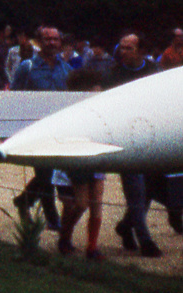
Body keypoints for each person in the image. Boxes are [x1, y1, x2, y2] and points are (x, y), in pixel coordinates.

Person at [108, 33, 162, 257]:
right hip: (127, 139)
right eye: (121, 47)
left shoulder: (152, 72)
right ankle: (145, 240)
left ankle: (126, 226)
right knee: (135, 190)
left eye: (129, 48)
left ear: (141, 51)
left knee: (149, 189)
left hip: (150, 136)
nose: (123, 52)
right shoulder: (114, 75)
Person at [11, 25, 69, 230]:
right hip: (35, 129)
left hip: (59, 129)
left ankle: (24, 201)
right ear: (39, 42)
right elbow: (15, 97)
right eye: (47, 39)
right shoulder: (27, 67)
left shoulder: (66, 68)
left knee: (51, 172)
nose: (52, 43)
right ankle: (53, 219)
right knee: (45, 175)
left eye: (55, 39)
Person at [55, 67, 108, 260]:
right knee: (81, 203)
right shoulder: (71, 110)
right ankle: (64, 236)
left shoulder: (100, 108)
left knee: (96, 201)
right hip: (77, 158)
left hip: (96, 157)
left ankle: (92, 247)